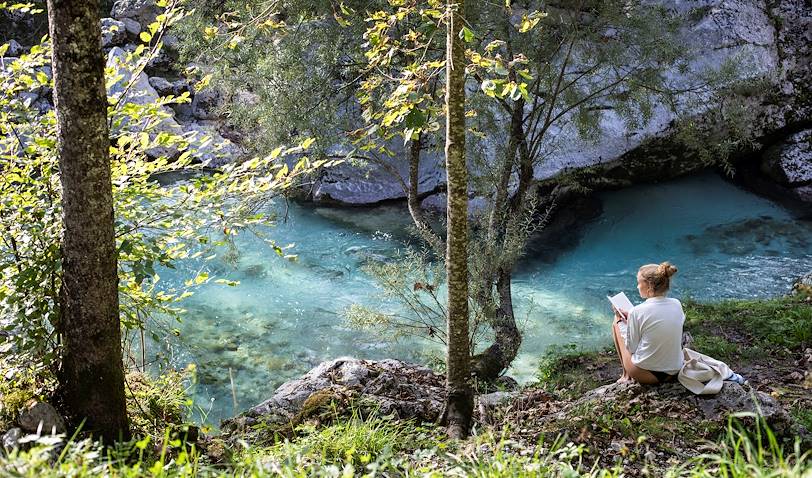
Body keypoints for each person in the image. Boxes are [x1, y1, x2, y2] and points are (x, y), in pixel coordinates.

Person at [611, 262, 684, 384]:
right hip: (674, 370)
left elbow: (631, 348)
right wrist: (633, 319)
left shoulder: (637, 311)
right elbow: (658, 321)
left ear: (649, 286)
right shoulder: (676, 303)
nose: (637, 287)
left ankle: (626, 375)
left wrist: (622, 320)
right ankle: (626, 375)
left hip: (646, 374)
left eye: (639, 283)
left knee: (616, 320)